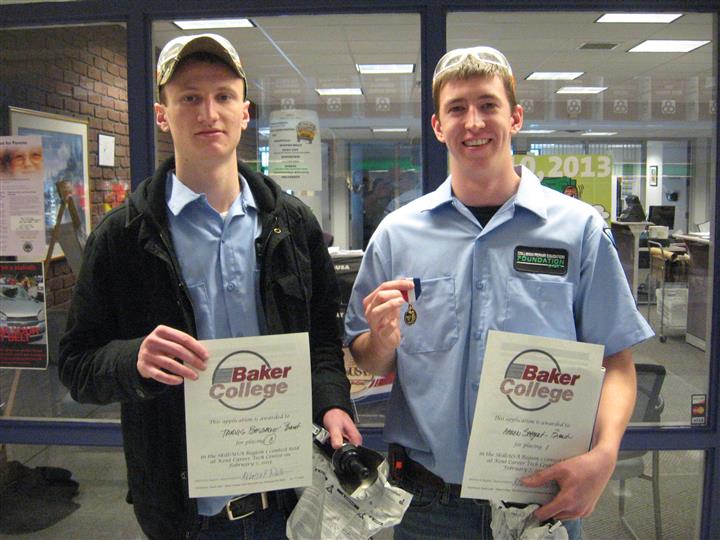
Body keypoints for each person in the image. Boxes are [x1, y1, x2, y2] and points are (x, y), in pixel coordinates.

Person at [344, 46, 653, 540]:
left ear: (516, 116)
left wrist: (606, 453)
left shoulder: (577, 232)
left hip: (542, 498)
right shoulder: (397, 235)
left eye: (488, 104)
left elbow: (616, 360)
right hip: (427, 503)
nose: (474, 122)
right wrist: (380, 339)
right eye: (457, 108)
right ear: (437, 126)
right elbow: (366, 361)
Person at [59, 33, 360, 539]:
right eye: (190, 98)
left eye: (223, 96)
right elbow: (76, 364)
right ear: (163, 115)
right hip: (184, 513)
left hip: (287, 503)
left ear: (245, 112)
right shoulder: (123, 237)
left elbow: (321, 343)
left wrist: (332, 402)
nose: (208, 112)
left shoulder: (291, 225)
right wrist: (132, 359)